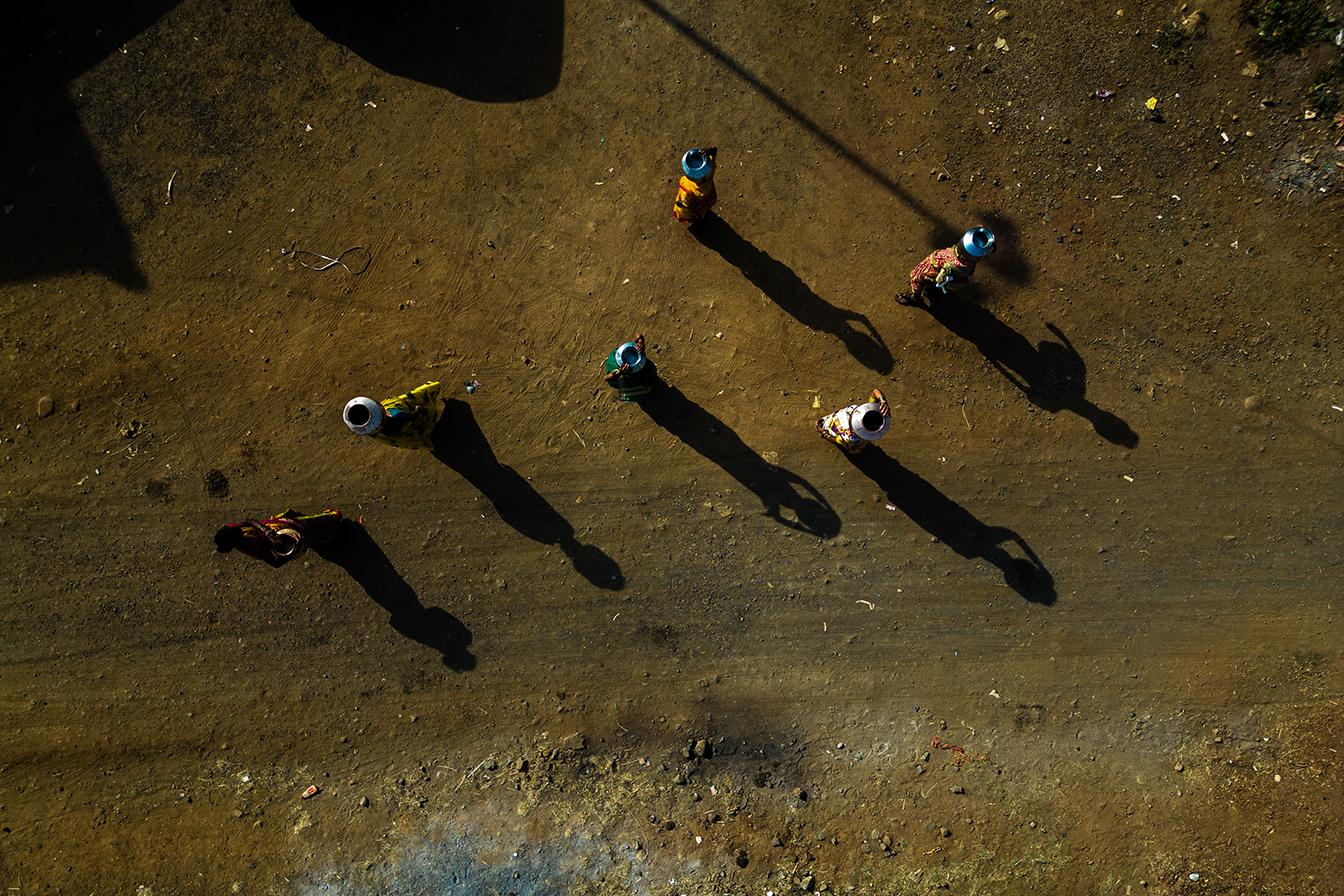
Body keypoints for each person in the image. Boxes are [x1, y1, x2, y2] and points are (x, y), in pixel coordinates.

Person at [899, 227, 996, 306]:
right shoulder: (972, 260)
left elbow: (939, 276)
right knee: (937, 284)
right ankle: (934, 288)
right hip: (954, 276)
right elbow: (988, 245)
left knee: (917, 278)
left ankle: (915, 298)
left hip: (937, 271)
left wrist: (925, 277)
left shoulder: (955, 265)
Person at [214, 509, 343, 567]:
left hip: (275, 528)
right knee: (310, 528)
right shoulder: (253, 548)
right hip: (285, 538)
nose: (240, 529)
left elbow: (248, 521)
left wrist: (264, 529)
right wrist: (290, 552)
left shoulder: (234, 529)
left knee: (301, 521)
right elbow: (274, 563)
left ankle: (328, 523)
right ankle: (332, 521)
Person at [343, 381, 442, 448]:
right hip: (412, 422)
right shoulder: (397, 414)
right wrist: (417, 413)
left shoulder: (375, 432)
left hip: (405, 436)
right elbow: (415, 415)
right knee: (423, 401)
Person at [817, 388, 891, 453]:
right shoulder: (852, 437)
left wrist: (824, 433)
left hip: (834, 424)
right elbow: (875, 392)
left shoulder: (848, 438)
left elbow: (836, 440)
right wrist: (883, 401)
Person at [601, 332, 658, 402]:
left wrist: (619, 372)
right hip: (643, 387)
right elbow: (638, 335)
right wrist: (641, 342)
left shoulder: (616, 369)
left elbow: (606, 378)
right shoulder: (644, 371)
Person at [673, 146, 718, 224]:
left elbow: (687, 205)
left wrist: (680, 204)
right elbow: (712, 163)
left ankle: (698, 218)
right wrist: (711, 153)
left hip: (695, 206)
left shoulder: (687, 191)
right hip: (708, 199)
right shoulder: (709, 177)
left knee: (693, 213)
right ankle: (703, 215)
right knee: (704, 210)